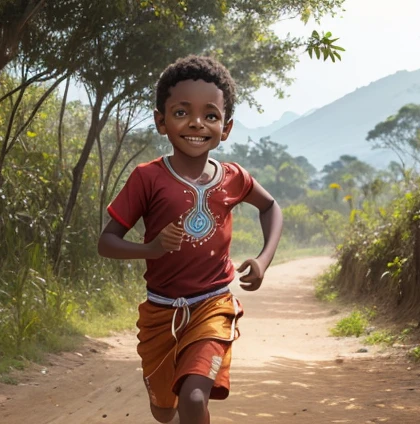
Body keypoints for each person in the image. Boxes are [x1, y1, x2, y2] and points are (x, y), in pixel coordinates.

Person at [97, 55, 282, 424]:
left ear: (225, 127)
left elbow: (271, 207)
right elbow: (107, 242)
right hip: (160, 314)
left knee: (194, 399)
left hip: (213, 307)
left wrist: (263, 259)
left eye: (210, 115)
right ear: (161, 121)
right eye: (182, 113)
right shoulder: (147, 178)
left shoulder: (234, 177)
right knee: (165, 412)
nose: (197, 123)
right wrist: (150, 249)